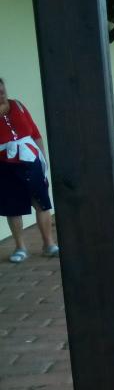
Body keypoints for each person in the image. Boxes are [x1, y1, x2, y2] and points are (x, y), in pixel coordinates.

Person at [0, 78, 59, 263]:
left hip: (30, 160)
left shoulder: (17, 105)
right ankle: (20, 247)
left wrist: (43, 159)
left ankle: (49, 244)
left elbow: (35, 133)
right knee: (13, 207)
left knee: (41, 202)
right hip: (5, 165)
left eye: (3, 90)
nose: (2, 95)